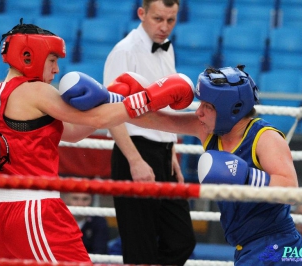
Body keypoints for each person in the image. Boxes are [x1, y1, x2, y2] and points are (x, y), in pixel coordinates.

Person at [0, 19, 194, 263]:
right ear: (29, 56)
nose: (57, 69)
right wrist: (149, 98)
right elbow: (101, 119)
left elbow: (72, 132)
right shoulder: (34, 91)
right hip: (33, 210)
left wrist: (113, 95)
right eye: (52, 60)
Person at [112, 65, 302, 265]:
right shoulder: (209, 131)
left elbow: (291, 191)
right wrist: (119, 102)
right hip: (246, 246)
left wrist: (245, 176)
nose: (199, 112)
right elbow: (158, 120)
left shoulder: (265, 138)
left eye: (207, 106)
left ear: (230, 109)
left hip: (277, 245)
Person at [103, 0, 196, 264]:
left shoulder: (168, 49)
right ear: (141, 13)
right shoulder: (124, 51)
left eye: (171, 20)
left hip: (163, 152)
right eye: (158, 19)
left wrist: (172, 153)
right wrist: (134, 160)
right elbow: (109, 112)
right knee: (139, 248)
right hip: (134, 151)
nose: (164, 27)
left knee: (181, 240)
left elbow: (165, 108)